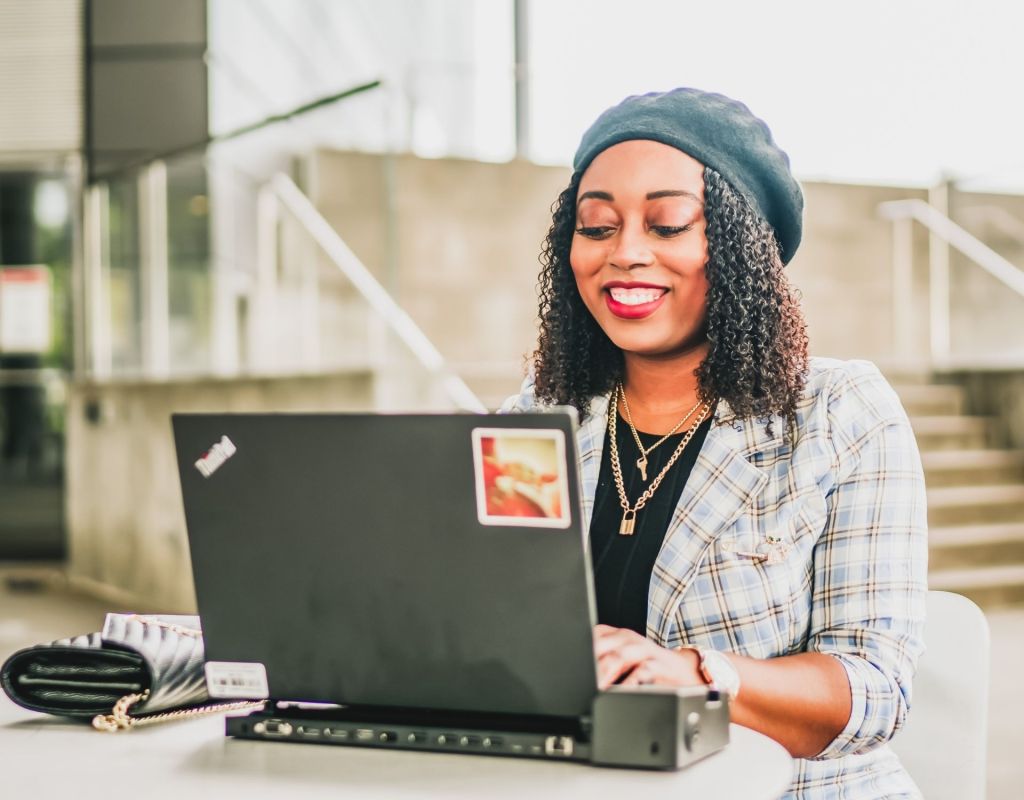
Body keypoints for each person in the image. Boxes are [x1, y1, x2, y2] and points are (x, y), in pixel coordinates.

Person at [502, 88, 928, 799]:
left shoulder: (840, 414)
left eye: (668, 225)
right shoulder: (536, 420)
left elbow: (876, 690)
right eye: (597, 225)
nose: (626, 253)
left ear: (738, 249)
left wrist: (699, 675)